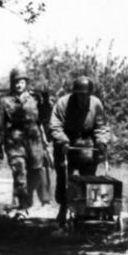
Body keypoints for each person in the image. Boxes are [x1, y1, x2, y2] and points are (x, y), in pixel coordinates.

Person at [49, 76, 110, 225]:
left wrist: (102, 141)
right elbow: (55, 126)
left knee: (88, 179)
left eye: (86, 95)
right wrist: (62, 141)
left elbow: (101, 126)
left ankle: (86, 213)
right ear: (74, 93)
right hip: (65, 143)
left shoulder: (96, 104)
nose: (83, 98)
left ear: (90, 94)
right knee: (64, 178)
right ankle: (63, 207)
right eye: (80, 95)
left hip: (87, 144)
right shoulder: (63, 103)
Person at [0, 67, 52, 210]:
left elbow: (45, 118)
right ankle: (23, 203)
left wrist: (45, 102)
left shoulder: (36, 98)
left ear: (26, 83)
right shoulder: (4, 101)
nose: (19, 85)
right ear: (12, 83)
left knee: (37, 171)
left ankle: (36, 200)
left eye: (22, 82)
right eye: (16, 82)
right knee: (18, 170)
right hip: (14, 139)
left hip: (34, 139)